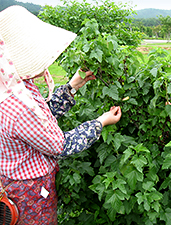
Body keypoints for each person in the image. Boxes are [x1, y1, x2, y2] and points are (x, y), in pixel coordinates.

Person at [0, 5, 121, 224]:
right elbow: (60, 145)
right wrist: (101, 122)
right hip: (30, 192)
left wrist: (72, 87)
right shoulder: (17, 107)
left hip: (13, 182)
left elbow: (41, 119)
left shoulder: (11, 83)